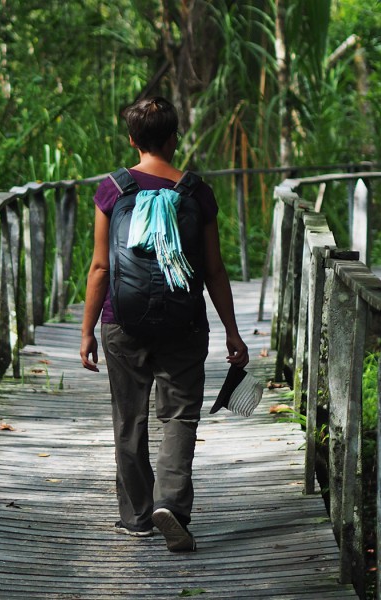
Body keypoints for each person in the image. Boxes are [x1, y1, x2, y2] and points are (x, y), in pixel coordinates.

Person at [79, 96, 248, 552]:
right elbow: (214, 269)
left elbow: (99, 267)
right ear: (175, 138)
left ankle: (136, 517)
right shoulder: (195, 191)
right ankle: (171, 505)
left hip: (122, 322)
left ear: (132, 140)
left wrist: (87, 329)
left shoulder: (113, 189)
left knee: (128, 419)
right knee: (179, 416)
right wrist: (232, 331)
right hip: (185, 322)